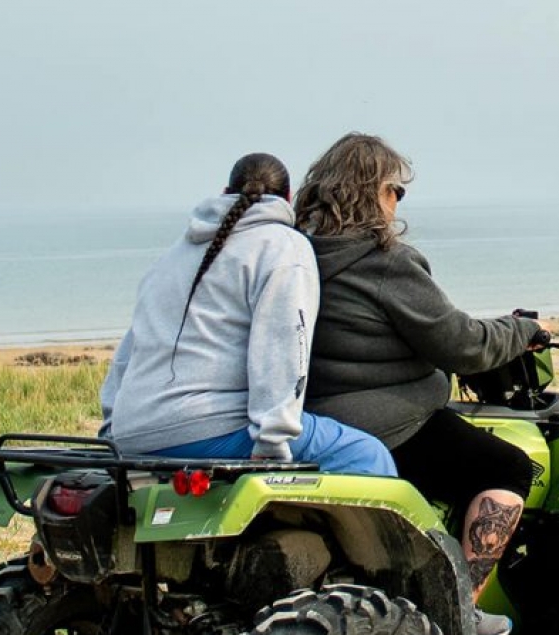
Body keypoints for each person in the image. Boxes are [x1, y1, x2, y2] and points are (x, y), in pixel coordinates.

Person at [297, 133, 546, 617]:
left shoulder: (298, 254)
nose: (398, 201)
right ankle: (461, 611)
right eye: (397, 190)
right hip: (391, 427)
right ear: (373, 191)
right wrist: (522, 330)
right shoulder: (387, 261)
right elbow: (463, 343)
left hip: (315, 423)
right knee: (508, 467)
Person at [100, 152, 394, 475]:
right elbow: (281, 348)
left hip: (131, 436)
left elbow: (131, 351)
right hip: (210, 430)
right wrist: (273, 442)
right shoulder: (285, 248)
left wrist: (113, 428)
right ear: (288, 197)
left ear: (226, 192)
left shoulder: (172, 256)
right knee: (366, 455)